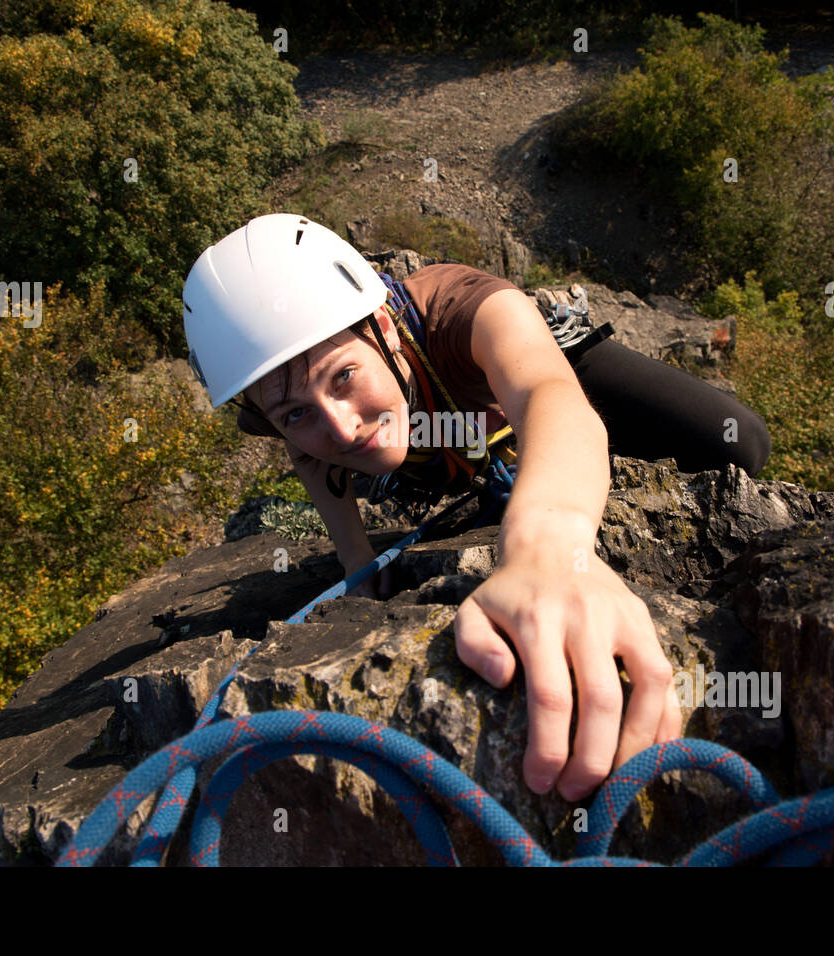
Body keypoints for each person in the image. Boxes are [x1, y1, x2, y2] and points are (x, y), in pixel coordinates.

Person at [184, 213, 771, 803]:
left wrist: (549, 550)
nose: (340, 425)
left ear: (383, 327)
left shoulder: (468, 310)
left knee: (736, 440)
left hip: (523, 373)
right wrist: (356, 564)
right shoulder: (268, 396)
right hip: (441, 433)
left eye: (343, 376)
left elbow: (548, 394)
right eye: (295, 412)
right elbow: (308, 459)